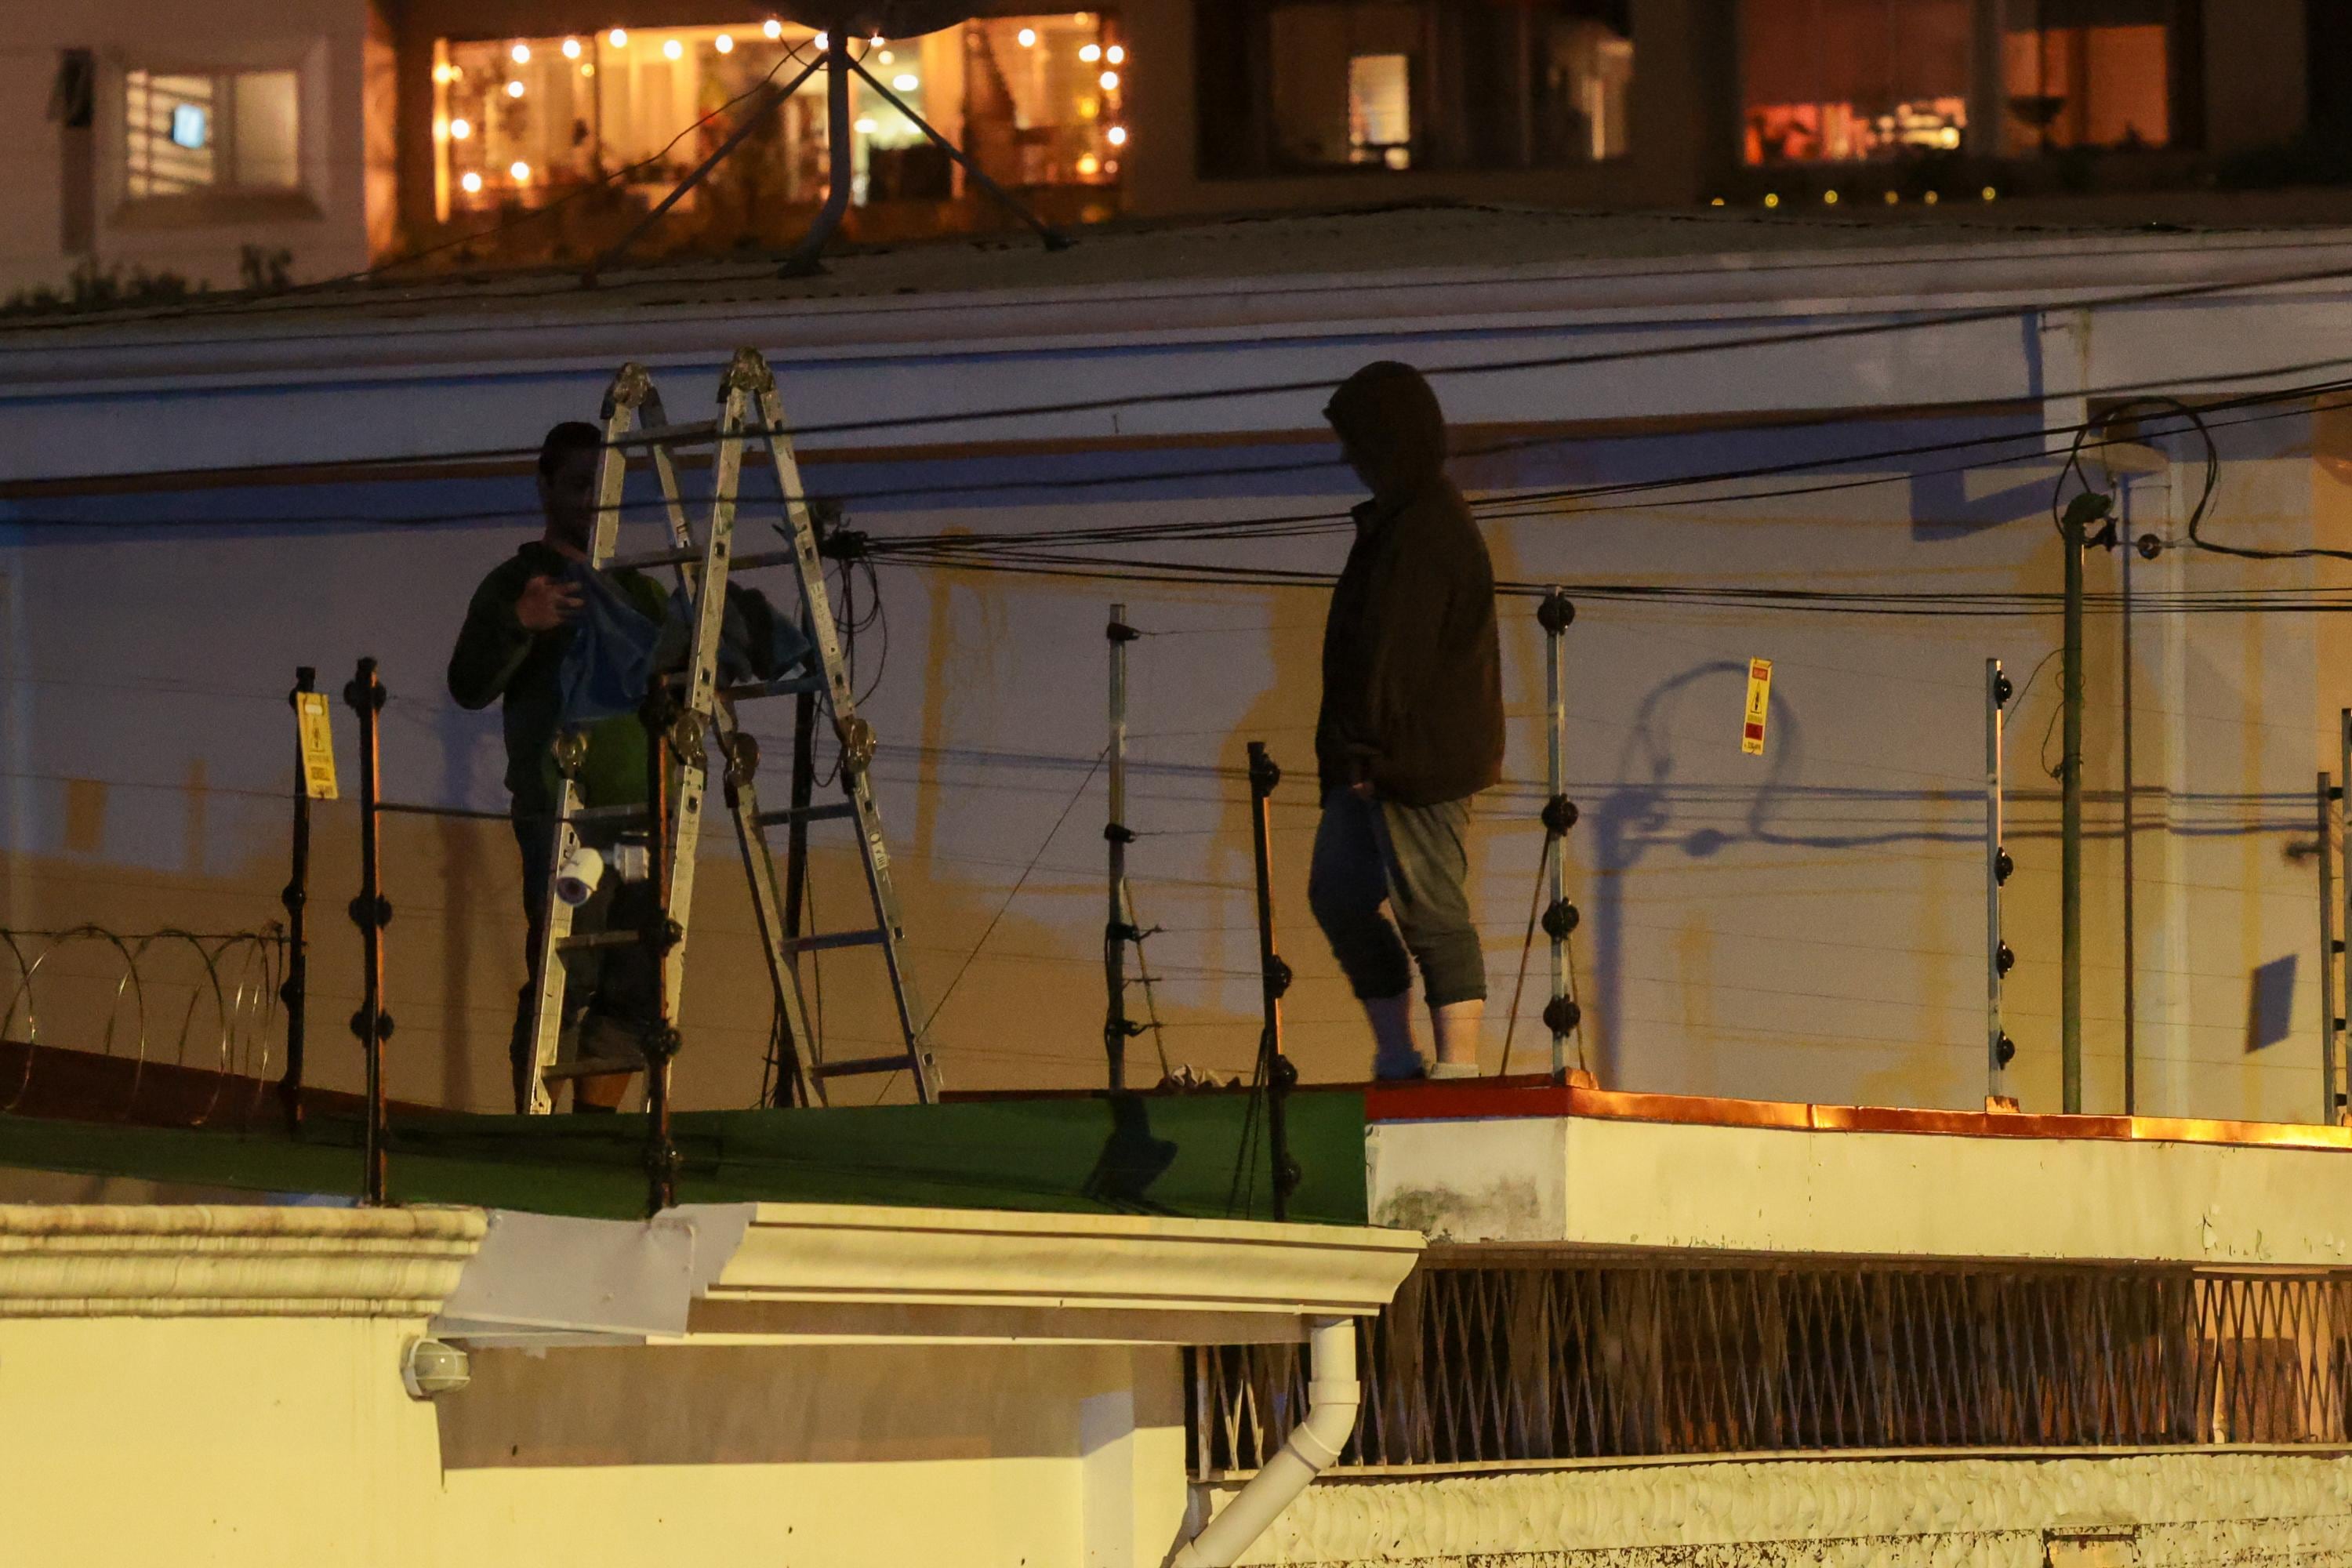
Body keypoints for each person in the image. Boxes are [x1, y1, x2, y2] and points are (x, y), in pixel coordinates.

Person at [448, 420, 666, 1113]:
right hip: (563, 818)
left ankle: (594, 1125)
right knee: (564, 972)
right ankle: (535, 1126)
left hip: (639, 818)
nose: (592, 500)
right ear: (543, 486)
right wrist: (522, 619)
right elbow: (469, 685)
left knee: (637, 975)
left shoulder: (639, 590)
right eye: (576, 484)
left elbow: (687, 676)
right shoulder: (516, 582)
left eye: (603, 485)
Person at [1308, 361, 1504, 1081]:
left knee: (1431, 910)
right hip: (1380, 758)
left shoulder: (1422, 526)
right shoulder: (1405, 521)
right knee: (1340, 895)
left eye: (1355, 440)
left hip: (1411, 762)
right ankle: (1400, 1055)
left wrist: (1370, 756)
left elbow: (1397, 654)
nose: (1347, 458)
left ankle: (1456, 1072)